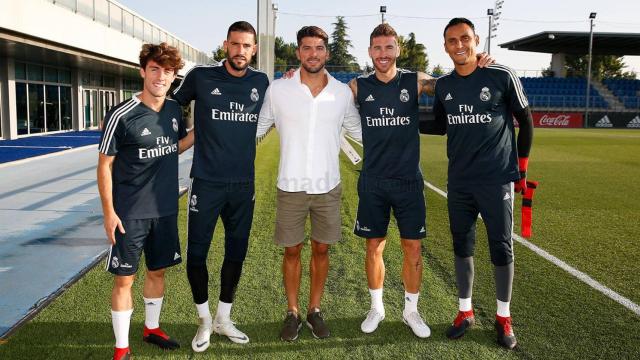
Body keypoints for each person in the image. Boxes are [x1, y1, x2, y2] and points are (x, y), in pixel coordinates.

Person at [349, 23, 494, 338]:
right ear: (370, 51)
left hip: (408, 182)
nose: (383, 54)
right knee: (374, 245)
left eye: (389, 47)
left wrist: (476, 61)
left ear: (397, 49)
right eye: (377, 48)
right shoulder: (357, 87)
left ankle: (410, 311)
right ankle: (377, 308)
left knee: (412, 247)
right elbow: (324, 98)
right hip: (373, 181)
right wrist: (295, 76)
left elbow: (452, 81)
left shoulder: (416, 82)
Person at [427, 17, 534, 349]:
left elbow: (526, 122)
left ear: (475, 40)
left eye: (465, 39)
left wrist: (522, 170)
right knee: (462, 246)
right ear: (445, 46)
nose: (459, 45)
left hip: (497, 179)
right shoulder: (444, 85)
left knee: (501, 247)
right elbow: (439, 125)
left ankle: (504, 317)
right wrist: (392, 120)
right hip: (459, 181)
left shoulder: (500, 75)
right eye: (452, 41)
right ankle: (465, 312)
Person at [257, 25, 362, 341]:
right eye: (306, 48)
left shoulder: (342, 93)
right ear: (298, 52)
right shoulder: (279, 89)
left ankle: (314, 310)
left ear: (326, 52)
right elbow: (258, 130)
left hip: (328, 187)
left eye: (318, 48)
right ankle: (292, 312)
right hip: (290, 186)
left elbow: (360, 133)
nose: (313, 54)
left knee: (321, 249)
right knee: (291, 252)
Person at [171, 21, 269, 351]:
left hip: (243, 185)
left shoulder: (261, 81)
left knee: (235, 253)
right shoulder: (201, 76)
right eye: (235, 44)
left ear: (254, 49)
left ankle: (223, 318)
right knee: (196, 255)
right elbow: (171, 105)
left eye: (247, 46)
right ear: (226, 45)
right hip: (207, 183)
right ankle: (203, 321)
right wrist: (174, 141)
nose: (241, 51)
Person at [97, 42, 191, 360]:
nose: (160, 77)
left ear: (173, 76)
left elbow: (173, 147)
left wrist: (202, 130)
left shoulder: (175, 110)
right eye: (155, 69)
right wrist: (109, 212)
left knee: (158, 272)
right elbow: (104, 164)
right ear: (143, 71)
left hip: (165, 209)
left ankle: (151, 329)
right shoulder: (121, 114)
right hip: (130, 212)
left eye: (167, 72)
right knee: (125, 278)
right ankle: (121, 348)